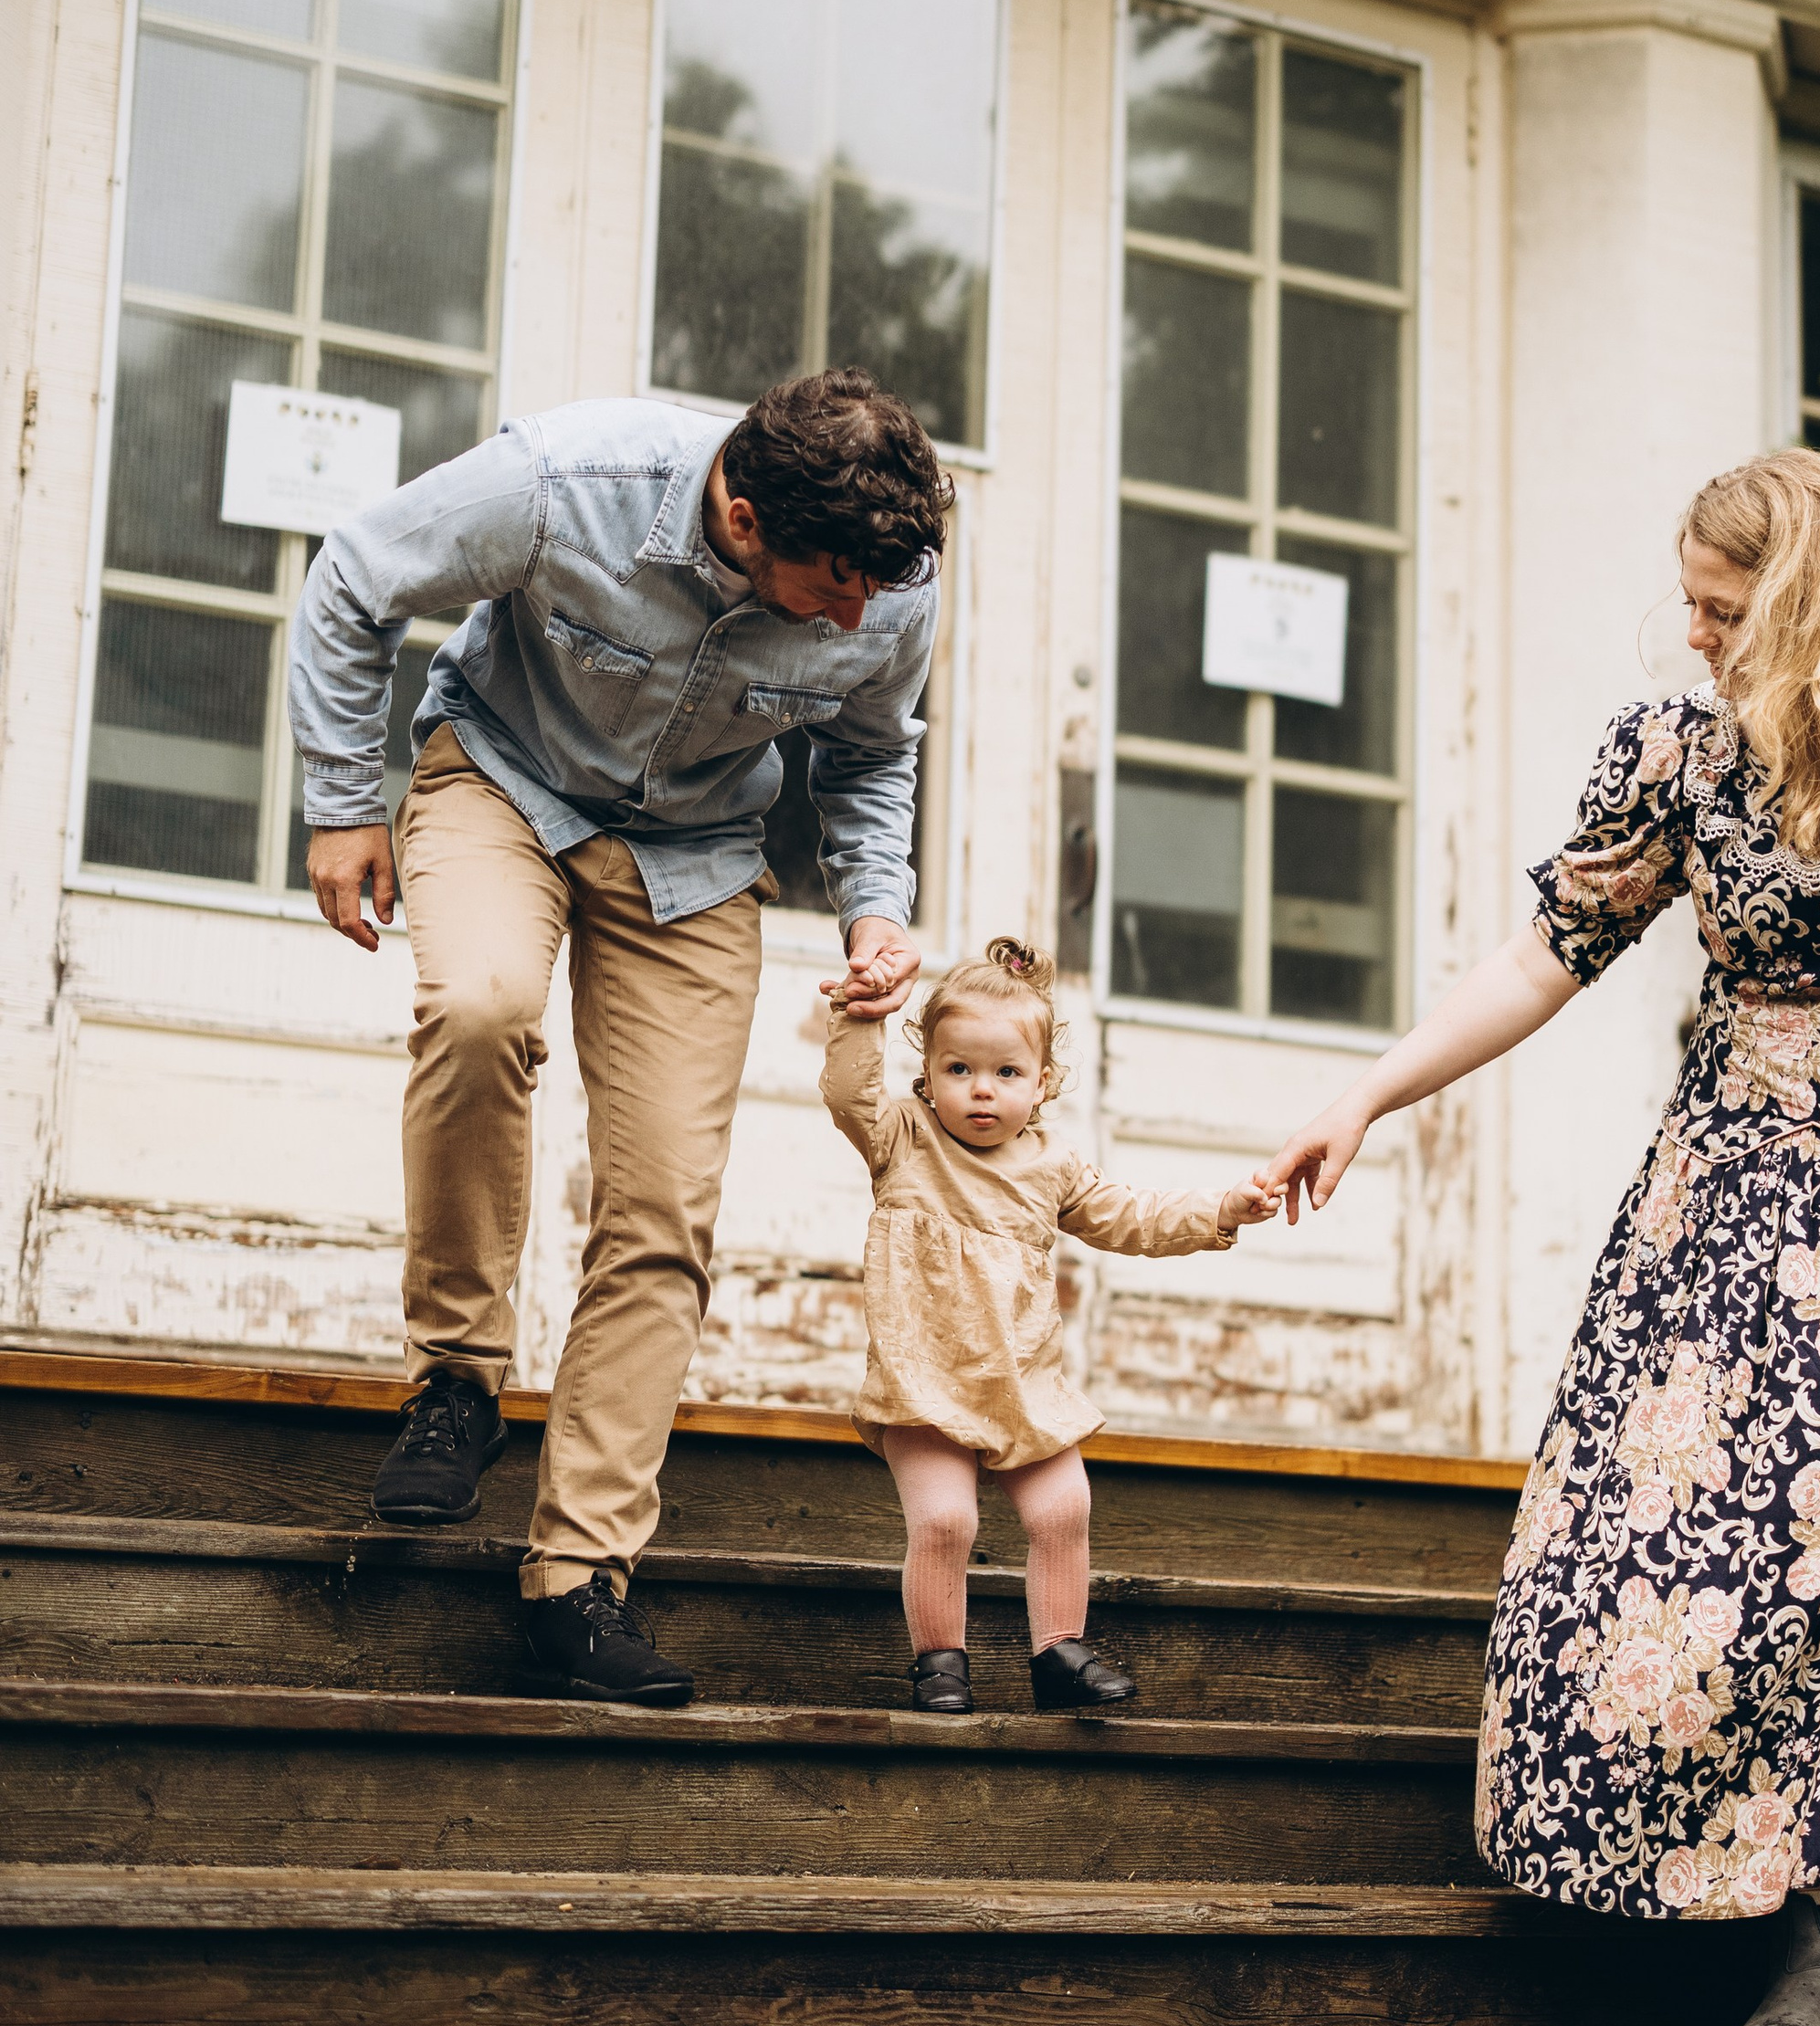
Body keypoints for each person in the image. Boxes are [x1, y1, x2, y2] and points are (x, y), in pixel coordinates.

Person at [1257, 447, 1820, 2026]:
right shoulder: (1676, 754)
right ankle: (1782, 1934)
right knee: (1670, 1556)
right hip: (1726, 1200)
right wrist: (1362, 1092)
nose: (1700, 640)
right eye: (1699, 612)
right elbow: (1541, 957)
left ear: (1805, 602)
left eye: (1728, 614)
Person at [290, 366, 952, 1707]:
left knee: (663, 1199)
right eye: (833, 584)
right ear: (745, 514)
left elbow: (875, 752)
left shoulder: (891, 574)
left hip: (698, 856)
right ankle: (459, 1381)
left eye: (878, 591)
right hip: (508, 780)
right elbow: (353, 577)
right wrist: (342, 801)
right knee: (480, 1008)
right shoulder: (564, 483)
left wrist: (877, 909)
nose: (859, 614)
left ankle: (579, 1577)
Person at [823, 935, 1280, 1712]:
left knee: (1064, 1508)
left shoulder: (1051, 1166)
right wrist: (858, 1014)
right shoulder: (903, 1138)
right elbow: (847, 1092)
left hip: (1023, 1384)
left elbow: (1135, 1217)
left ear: (1042, 1084)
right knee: (944, 1520)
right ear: (927, 1072)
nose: (981, 1091)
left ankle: (1057, 1655)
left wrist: (1220, 1212)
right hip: (923, 1380)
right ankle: (941, 1663)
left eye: (1006, 1073)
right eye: (958, 1069)